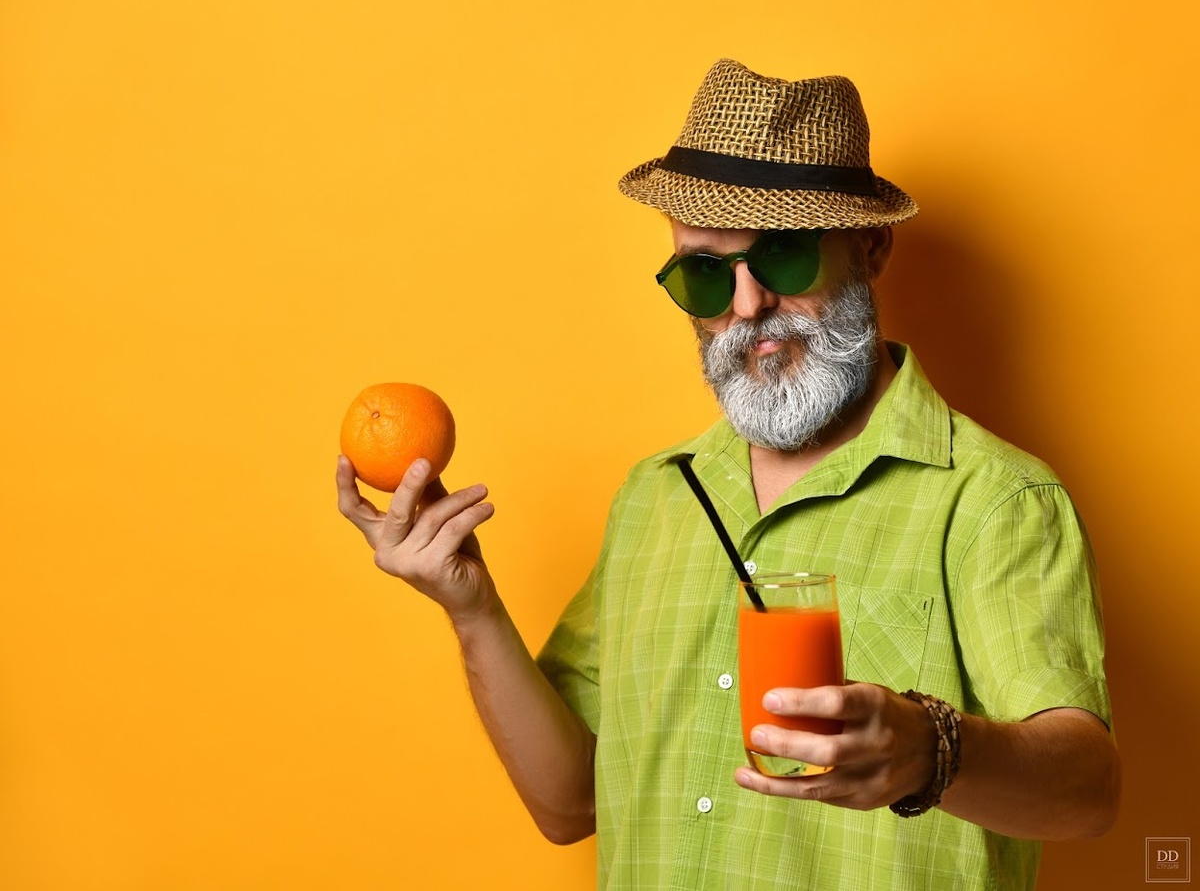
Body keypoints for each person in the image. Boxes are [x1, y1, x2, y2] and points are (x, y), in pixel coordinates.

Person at [336, 59, 1120, 890]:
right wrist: (472, 608)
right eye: (706, 272)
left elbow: (1088, 793)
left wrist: (930, 749)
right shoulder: (656, 497)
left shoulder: (994, 500)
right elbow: (569, 803)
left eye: (782, 260)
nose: (746, 307)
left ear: (870, 248)